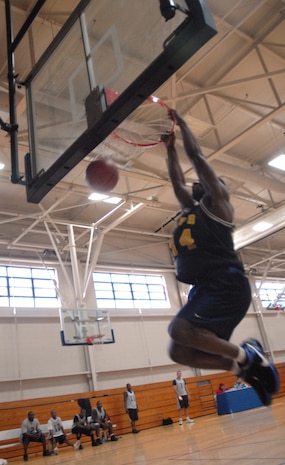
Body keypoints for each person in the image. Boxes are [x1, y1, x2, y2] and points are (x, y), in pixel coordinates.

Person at [161, 109, 279, 407]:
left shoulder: (219, 208)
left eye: (212, 182)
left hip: (227, 283)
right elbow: (177, 183)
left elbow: (198, 159)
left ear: (218, 188)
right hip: (207, 287)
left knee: (179, 329)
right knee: (179, 351)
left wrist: (184, 126)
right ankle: (241, 367)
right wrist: (169, 148)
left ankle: (248, 356)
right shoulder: (191, 209)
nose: (199, 183)